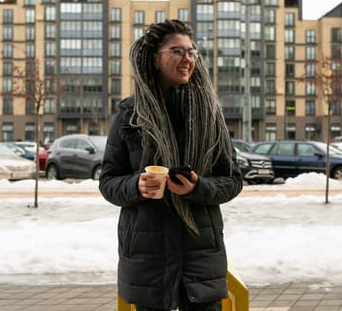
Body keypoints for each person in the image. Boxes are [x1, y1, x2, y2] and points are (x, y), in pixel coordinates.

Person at [99, 19, 243, 311]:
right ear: (155, 58)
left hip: (199, 262)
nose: (187, 59)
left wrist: (197, 187)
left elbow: (232, 180)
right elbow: (108, 182)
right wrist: (136, 185)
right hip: (148, 262)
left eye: (192, 52)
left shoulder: (209, 115)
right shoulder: (130, 114)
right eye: (177, 51)